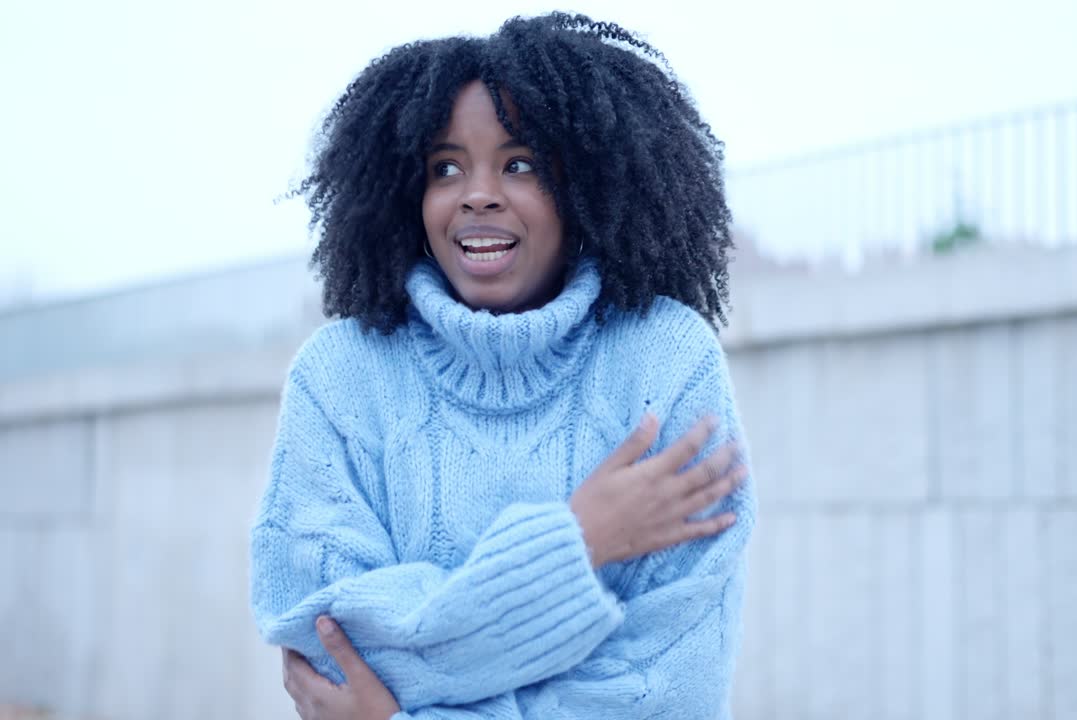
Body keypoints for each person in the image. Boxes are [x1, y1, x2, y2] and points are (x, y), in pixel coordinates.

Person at [249, 12, 755, 719]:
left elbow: (672, 691)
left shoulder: (665, 364)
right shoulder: (340, 380)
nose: (477, 193)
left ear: (586, 185)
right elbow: (328, 647)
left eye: (521, 164)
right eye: (445, 167)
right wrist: (577, 545)